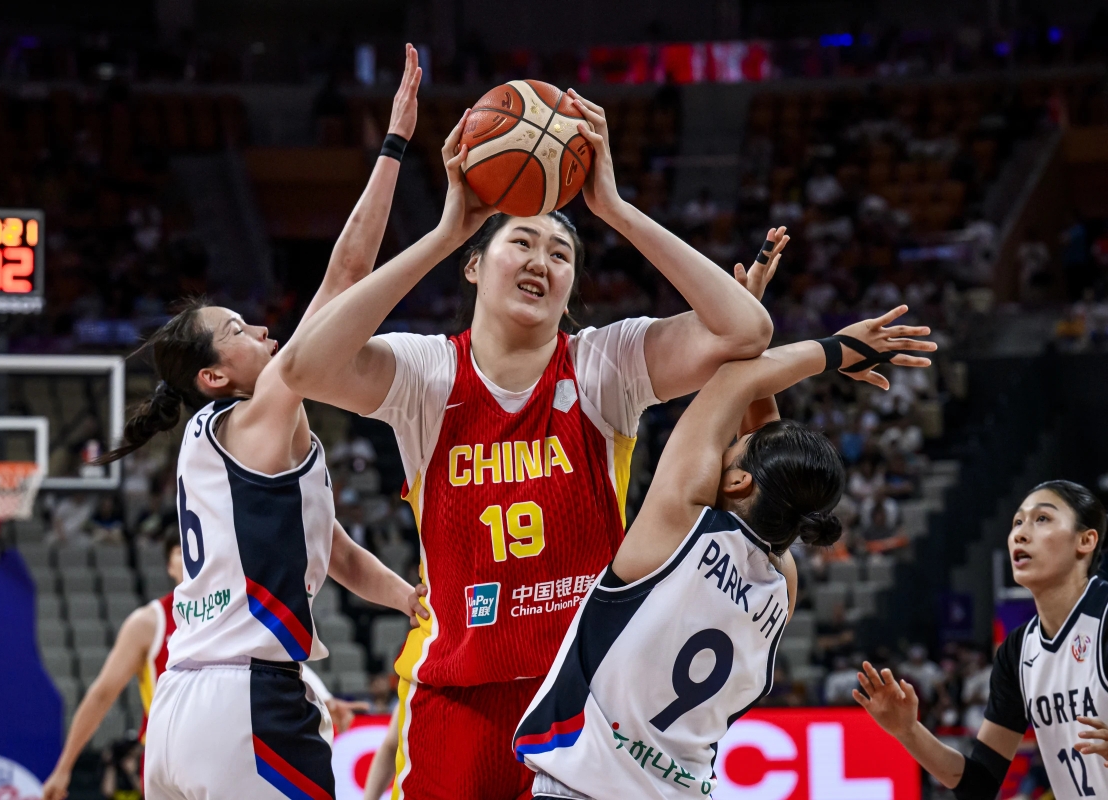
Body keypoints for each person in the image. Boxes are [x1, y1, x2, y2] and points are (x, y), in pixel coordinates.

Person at [281, 90, 785, 799]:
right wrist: (445, 232)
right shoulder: (429, 373)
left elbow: (747, 330)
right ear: (475, 265)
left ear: (571, 287)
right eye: (520, 241)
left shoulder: (604, 365)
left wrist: (613, 208)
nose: (541, 261)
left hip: (586, 693)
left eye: (561, 253)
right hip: (460, 697)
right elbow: (303, 368)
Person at [85, 46, 429, 800]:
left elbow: (331, 549)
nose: (264, 331)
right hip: (244, 704)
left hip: (179, 709)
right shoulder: (256, 414)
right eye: (239, 330)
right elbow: (344, 277)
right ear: (213, 377)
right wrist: (395, 146)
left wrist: (407, 598)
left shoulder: (217, 442)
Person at [512, 306, 935, 799]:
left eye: (733, 448)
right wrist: (745, 337)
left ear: (737, 481)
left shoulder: (680, 524)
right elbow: (761, 427)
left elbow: (736, 385)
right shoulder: (781, 585)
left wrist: (840, 349)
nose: (726, 445)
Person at [856, 480, 1108, 800]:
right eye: (1017, 522)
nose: (1020, 533)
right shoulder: (1018, 651)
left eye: (1042, 518)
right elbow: (979, 784)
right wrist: (909, 731)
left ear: (1085, 541)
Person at [41, 531, 182, 800]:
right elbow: (102, 695)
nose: (192, 555)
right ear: (168, 566)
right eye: (180, 550)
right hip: (169, 758)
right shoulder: (148, 623)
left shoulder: (236, 614)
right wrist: (64, 768)